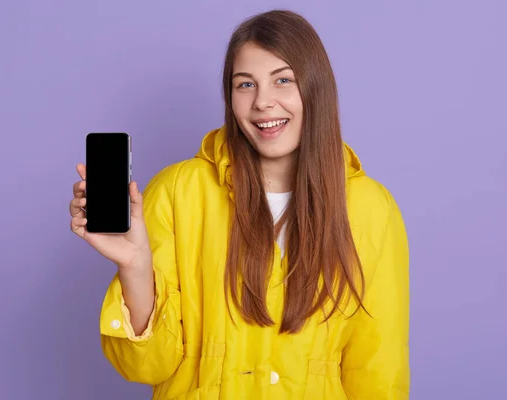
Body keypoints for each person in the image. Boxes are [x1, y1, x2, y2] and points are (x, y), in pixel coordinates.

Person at [69, 9, 409, 400]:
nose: (263, 102)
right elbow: (146, 366)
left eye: (283, 80)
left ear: (316, 88)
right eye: (245, 85)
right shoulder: (178, 191)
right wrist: (135, 266)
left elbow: (379, 371)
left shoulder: (371, 209)